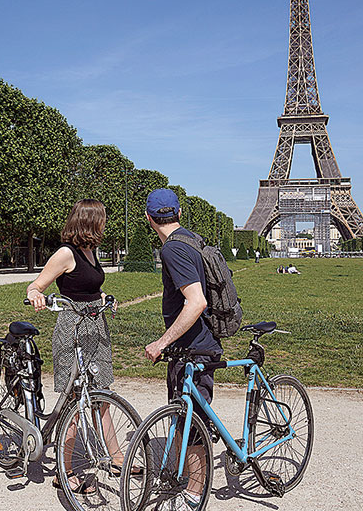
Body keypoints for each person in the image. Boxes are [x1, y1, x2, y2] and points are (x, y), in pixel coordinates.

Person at [25, 199, 119, 493]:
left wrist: (103, 297)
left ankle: (116, 457)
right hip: (72, 330)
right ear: (91, 221)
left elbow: (89, 286)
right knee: (75, 404)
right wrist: (36, 295)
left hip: (96, 329)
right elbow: (36, 285)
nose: (105, 224)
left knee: (101, 394)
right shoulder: (66, 253)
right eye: (102, 219)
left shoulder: (90, 252)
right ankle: (63, 473)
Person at [143, 188, 221, 509]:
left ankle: (194, 490)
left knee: (193, 422)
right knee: (187, 416)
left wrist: (162, 342)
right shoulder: (192, 239)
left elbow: (197, 301)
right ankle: (186, 476)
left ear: (149, 219)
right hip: (199, 343)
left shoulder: (173, 250)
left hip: (193, 348)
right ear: (179, 213)